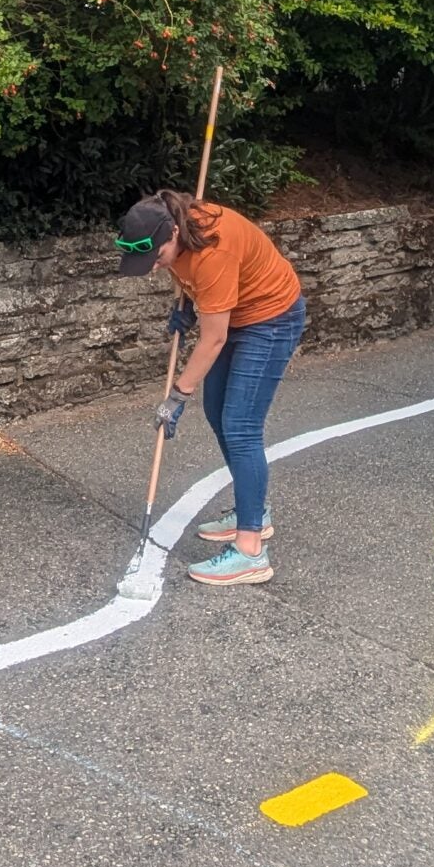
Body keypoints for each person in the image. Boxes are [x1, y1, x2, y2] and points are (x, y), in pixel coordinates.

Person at [114, 190, 307, 585]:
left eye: (155, 258)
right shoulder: (172, 227)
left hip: (269, 319)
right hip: (233, 313)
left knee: (241, 426)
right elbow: (187, 277)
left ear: (171, 235)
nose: (152, 268)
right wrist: (184, 305)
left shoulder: (212, 248)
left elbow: (213, 339)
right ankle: (254, 510)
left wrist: (176, 396)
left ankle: (251, 551)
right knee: (219, 412)